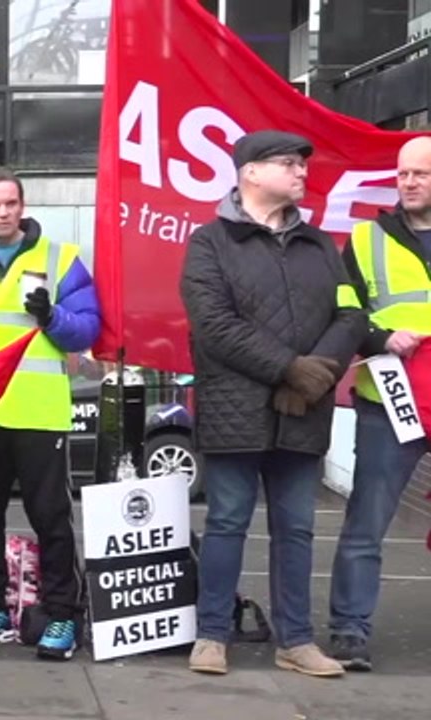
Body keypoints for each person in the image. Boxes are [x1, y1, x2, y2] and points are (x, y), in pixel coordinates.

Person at [181, 130, 365, 678]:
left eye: (301, 164)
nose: (301, 172)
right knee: (228, 521)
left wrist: (314, 376)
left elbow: (352, 315)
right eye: (288, 163)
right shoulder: (209, 242)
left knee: (297, 528)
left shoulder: (320, 245)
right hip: (236, 407)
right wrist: (288, 368)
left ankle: (297, 641)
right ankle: (211, 635)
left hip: (304, 409)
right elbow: (213, 325)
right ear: (251, 173)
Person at [0, 169, 99, 659]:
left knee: (51, 519)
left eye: (9, 203)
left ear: (23, 205)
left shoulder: (60, 258)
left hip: (39, 413)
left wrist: (53, 317)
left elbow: (89, 329)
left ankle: (61, 615)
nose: (1, 213)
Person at [329, 135, 431, 671]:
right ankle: (349, 632)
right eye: (403, 174)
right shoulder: (367, 239)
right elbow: (345, 307)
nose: (409, 183)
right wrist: (378, 336)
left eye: (421, 174)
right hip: (390, 402)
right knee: (366, 522)